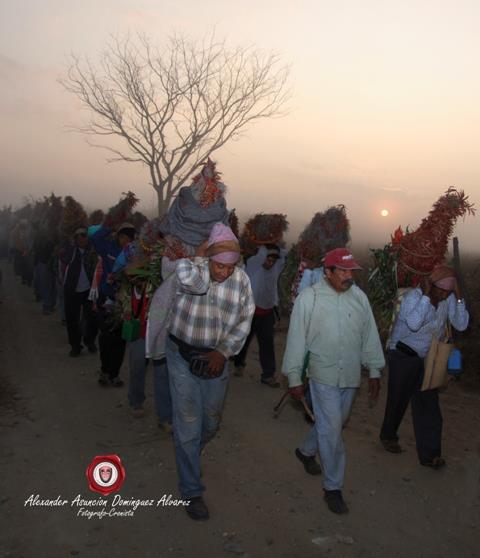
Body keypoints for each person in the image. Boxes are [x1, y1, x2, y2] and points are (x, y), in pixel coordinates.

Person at [282, 247, 385, 515]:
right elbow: (296, 340)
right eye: (342, 270)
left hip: (350, 376)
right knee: (333, 431)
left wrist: (374, 369)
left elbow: (369, 335)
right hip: (322, 374)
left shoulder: (359, 298)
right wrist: (294, 376)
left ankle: (305, 451)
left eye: (351, 271)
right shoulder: (310, 298)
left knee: (333, 423)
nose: (348, 276)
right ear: (327, 272)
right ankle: (333, 488)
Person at [166, 223, 255, 521]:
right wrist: (199, 257)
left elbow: (245, 319)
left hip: (217, 360)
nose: (224, 272)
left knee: (211, 423)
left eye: (230, 267)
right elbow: (195, 283)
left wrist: (223, 351)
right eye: (219, 265)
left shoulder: (241, 280)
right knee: (189, 424)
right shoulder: (193, 271)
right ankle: (191, 490)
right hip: (181, 355)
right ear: (210, 258)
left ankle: (188, 450)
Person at [379, 264, 469, 469]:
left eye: (448, 292)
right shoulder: (413, 297)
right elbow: (413, 323)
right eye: (442, 290)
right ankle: (388, 436)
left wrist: (459, 297)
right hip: (403, 354)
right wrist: (428, 298)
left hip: (427, 359)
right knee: (397, 400)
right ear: (431, 285)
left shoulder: (448, 299)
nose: (445, 295)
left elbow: (461, 324)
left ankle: (430, 454)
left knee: (429, 405)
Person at [90, 222, 136, 387]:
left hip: (123, 302)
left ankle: (115, 374)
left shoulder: (133, 253)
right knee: (105, 337)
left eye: (129, 239)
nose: (126, 242)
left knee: (120, 339)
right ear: (119, 236)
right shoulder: (108, 248)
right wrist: (110, 226)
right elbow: (94, 238)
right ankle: (105, 371)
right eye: (123, 237)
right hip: (106, 298)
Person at [234, 244, 285, 387]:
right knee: (243, 340)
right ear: (262, 257)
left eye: (273, 261)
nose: (270, 263)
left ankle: (268, 375)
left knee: (267, 344)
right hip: (249, 312)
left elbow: (284, 254)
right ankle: (239, 364)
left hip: (267, 312)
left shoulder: (276, 268)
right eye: (268, 259)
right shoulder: (253, 266)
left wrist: (275, 243)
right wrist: (265, 242)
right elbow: (262, 253)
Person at [61, 227, 98, 357]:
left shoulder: (93, 251)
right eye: (79, 236)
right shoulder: (70, 251)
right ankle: (75, 346)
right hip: (72, 289)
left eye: (85, 235)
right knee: (72, 319)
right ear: (75, 238)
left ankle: (90, 341)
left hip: (89, 290)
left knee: (92, 318)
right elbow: (63, 258)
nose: (83, 238)